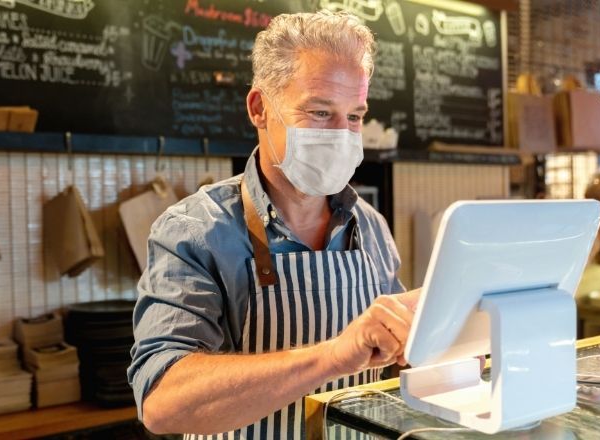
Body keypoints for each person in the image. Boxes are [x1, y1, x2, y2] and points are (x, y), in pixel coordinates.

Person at [128, 10, 419, 439]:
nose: (342, 134)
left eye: (354, 116)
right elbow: (162, 402)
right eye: (320, 113)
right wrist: (334, 355)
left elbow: (394, 360)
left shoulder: (369, 226)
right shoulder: (194, 231)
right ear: (260, 108)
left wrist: (427, 342)